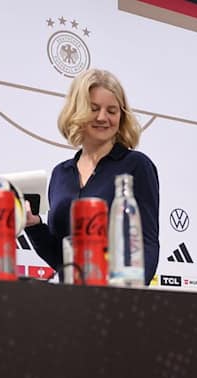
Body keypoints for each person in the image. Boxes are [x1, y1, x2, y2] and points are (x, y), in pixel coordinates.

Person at [25, 68, 160, 285]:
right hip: (70, 301)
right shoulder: (60, 174)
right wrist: (33, 226)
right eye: (94, 108)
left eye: (112, 111)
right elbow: (62, 260)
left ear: (121, 116)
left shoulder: (137, 166)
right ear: (76, 111)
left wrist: (128, 295)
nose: (102, 118)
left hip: (116, 300)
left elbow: (147, 243)